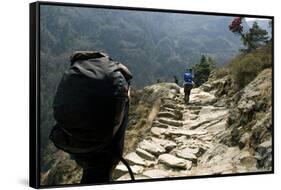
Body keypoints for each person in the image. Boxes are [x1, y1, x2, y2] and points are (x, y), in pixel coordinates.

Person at [49, 51, 133, 184]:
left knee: (91, 172)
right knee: (100, 172)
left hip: (74, 140)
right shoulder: (114, 73)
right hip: (105, 146)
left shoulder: (76, 73)